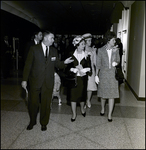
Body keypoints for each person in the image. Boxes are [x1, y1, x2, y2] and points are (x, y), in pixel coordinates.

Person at [21, 30, 73, 131]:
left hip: (48, 81)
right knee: (33, 103)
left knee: (46, 103)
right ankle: (32, 121)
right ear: (45, 38)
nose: (53, 40)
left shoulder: (53, 50)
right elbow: (28, 65)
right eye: (51, 38)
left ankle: (44, 122)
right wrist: (24, 80)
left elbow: (57, 64)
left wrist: (64, 62)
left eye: (53, 38)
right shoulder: (34, 49)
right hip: (35, 81)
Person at [65, 35, 92, 122]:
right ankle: (74, 114)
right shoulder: (71, 55)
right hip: (73, 79)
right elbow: (66, 68)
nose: (84, 46)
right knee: (73, 97)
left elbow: (90, 68)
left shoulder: (87, 55)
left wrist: (83, 70)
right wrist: (74, 70)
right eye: (82, 44)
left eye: (84, 44)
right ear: (76, 45)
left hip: (83, 80)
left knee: (82, 96)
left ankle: (82, 109)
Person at [95, 31, 120, 122]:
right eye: (113, 40)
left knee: (112, 95)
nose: (115, 42)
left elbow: (118, 60)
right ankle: (102, 108)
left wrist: (116, 62)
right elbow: (98, 64)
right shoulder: (101, 50)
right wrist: (96, 75)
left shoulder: (116, 49)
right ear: (108, 40)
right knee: (103, 95)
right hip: (103, 74)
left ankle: (109, 114)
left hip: (113, 75)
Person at [82, 33, 97, 108]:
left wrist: (94, 53)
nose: (90, 42)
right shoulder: (81, 49)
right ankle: (84, 101)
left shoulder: (92, 49)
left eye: (90, 40)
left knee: (90, 87)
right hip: (83, 70)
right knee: (83, 86)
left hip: (91, 70)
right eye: (88, 41)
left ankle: (88, 100)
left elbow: (95, 62)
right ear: (84, 41)